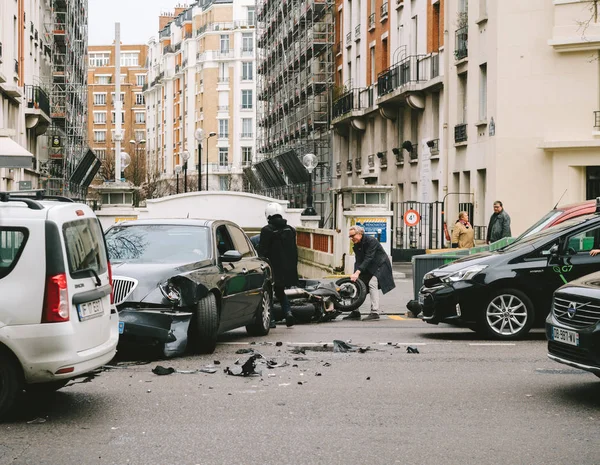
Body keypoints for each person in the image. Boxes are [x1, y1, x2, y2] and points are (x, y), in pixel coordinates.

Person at [257, 203, 298, 328]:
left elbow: (263, 250)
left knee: (268, 292)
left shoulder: (267, 230)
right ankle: (288, 312)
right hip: (288, 267)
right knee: (281, 292)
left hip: (272, 267)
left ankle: (271, 320)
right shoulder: (290, 229)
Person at [344, 225, 396, 321]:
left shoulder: (371, 241)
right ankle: (355, 311)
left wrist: (358, 271)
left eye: (353, 236)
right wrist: (356, 274)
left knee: (372, 283)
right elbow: (358, 261)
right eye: (350, 237)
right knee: (356, 284)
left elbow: (369, 257)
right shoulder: (357, 244)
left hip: (381, 265)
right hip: (369, 266)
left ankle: (375, 312)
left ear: (360, 234)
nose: (351, 238)